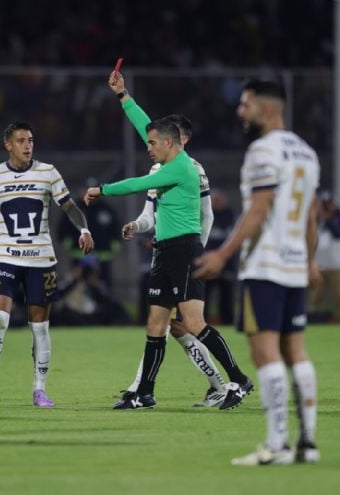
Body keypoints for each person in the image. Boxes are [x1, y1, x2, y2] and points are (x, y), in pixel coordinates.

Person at [83, 69, 252, 411]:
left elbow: (135, 184)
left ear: (171, 143)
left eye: (152, 144)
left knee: (194, 323)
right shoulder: (165, 160)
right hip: (164, 252)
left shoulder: (184, 168)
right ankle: (144, 393)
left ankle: (238, 379)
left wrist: (101, 189)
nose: (147, 147)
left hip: (185, 251)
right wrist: (123, 95)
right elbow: (145, 126)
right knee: (156, 323)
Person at [196, 79, 321, 465]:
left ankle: (277, 444)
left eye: (246, 105)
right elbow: (311, 216)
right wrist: (311, 260)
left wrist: (223, 254)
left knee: (264, 352)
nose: (240, 112)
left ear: (266, 109)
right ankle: (308, 444)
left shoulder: (262, 150)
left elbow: (259, 208)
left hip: (265, 265)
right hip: (294, 264)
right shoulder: (306, 152)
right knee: (295, 351)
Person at [0, 121, 95, 408]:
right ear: (8, 145)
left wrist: (84, 229)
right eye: (21, 140)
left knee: (40, 328)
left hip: (41, 260)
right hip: (6, 257)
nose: (27, 145)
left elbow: (69, 206)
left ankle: (39, 390)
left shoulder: (48, 172)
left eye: (30, 140)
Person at [119, 112, 228, 408]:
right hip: (164, 256)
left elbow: (206, 216)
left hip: (184, 256)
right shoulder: (158, 169)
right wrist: (136, 225)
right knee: (169, 325)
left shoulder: (193, 169)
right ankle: (216, 384)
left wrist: (196, 254)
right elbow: (149, 215)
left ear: (183, 140)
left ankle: (141, 388)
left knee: (176, 324)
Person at [309, 190, 340, 323]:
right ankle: (314, 321)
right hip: (319, 266)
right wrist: (318, 215)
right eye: (324, 204)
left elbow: (339, 233)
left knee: (339, 297)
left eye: (329, 203)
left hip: (337, 265)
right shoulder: (316, 219)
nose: (326, 207)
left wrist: (328, 219)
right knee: (315, 296)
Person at [204, 189, 237, 325]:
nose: (217, 202)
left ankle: (228, 322)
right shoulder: (204, 215)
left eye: (219, 199)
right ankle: (202, 322)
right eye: (215, 200)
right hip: (206, 263)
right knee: (204, 296)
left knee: (226, 296)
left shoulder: (230, 216)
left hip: (226, 264)